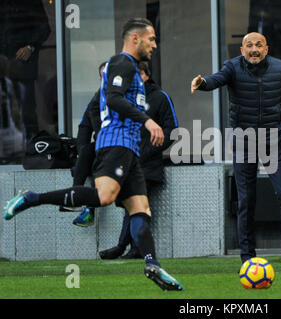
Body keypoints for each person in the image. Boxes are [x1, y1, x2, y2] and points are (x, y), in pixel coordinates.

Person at [3, 18, 184, 291]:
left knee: (141, 210)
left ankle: (152, 264)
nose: (155, 45)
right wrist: (147, 121)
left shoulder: (131, 68)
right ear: (135, 39)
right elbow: (112, 98)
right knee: (103, 196)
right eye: (152, 39)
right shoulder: (122, 63)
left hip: (130, 149)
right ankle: (32, 198)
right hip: (116, 143)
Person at [191, 32, 281, 272]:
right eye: (249, 46)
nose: (254, 49)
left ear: (267, 48)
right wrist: (202, 84)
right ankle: (247, 257)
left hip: (274, 140)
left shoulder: (280, 68)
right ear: (242, 50)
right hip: (244, 140)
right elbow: (217, 79)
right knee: (247, 200)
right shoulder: (231, 67)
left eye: (259, 45)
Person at [97, 61, 178, 259]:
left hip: (147, 164)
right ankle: (130, 247)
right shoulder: (123, 99)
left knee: (134, 206)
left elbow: (173, 131)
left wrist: (147, 151)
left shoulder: (160, 97)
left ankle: (128, 247)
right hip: (126, 161)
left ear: (144, 75)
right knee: (131, 205)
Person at [60, 62, 106, 226]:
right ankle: (75, 196)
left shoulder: (124, 96)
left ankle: (88, 210)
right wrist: (80, 155)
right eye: (103, 76)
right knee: (87, 152)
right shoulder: (96, 99)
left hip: (120, 146)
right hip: (102, 145)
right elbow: (84, 128)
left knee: (97, 160)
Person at [0, 0, 51, 140]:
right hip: (3, 64)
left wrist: (30, 47)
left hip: (23, 64)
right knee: (5, 109)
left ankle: (30, 148)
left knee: (26, 110)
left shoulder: (30, 3)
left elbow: (44, 28)